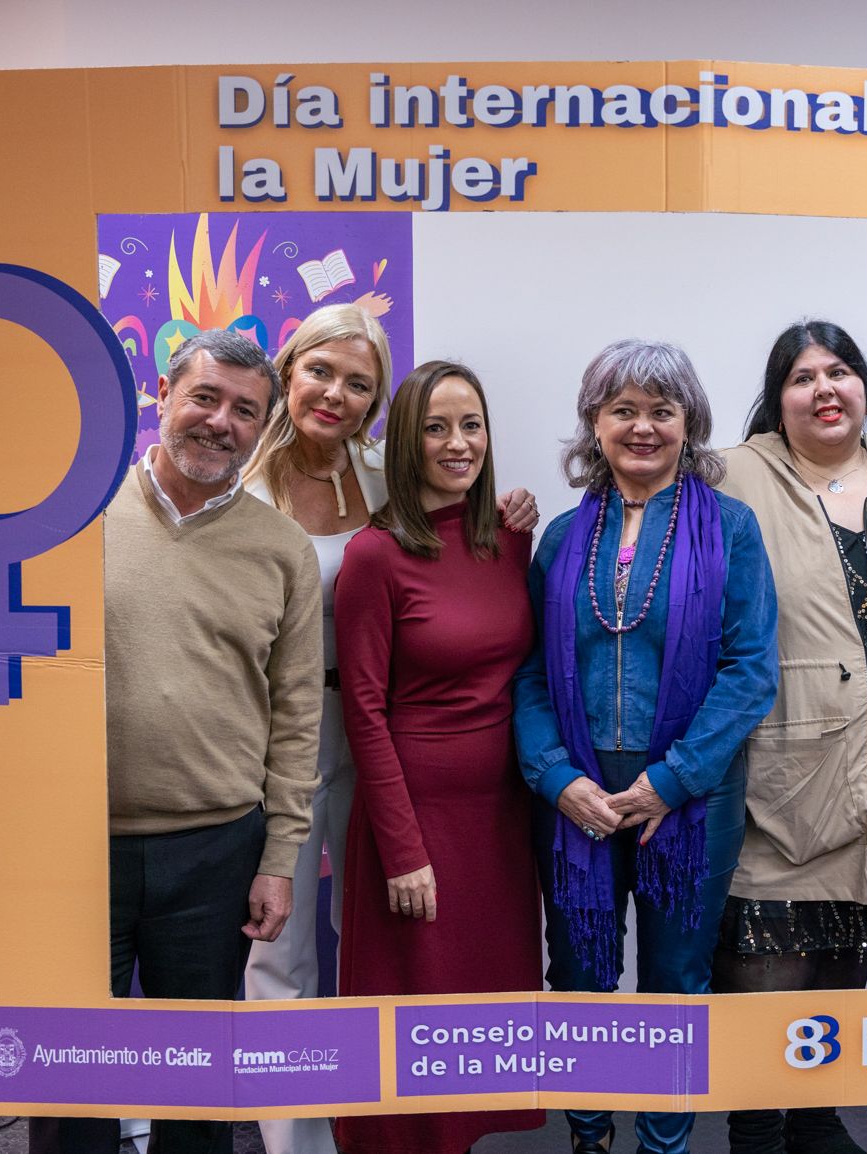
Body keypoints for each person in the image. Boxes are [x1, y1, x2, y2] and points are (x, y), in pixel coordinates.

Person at [0, 328, 324, 1154]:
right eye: (205, 397)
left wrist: (278, 858)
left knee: (196, 1089)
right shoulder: (66, 516)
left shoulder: (282, 551)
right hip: (69, 848)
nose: (219, 422)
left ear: (262, 428)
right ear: (163, 396)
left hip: (214, 851)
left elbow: (297, 715)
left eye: (244, 410)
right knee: (68, 1089)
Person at [237, 306, 537, 1154]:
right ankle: (296, 1142)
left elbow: (455, 531)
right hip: (279, 732)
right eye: (320, 372)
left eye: (358, 382)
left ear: (376, 409)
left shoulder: (384, 481)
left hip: (377, 728)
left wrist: (510, 506)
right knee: (281, 951)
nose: (335, 393)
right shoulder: (238, 490)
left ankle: (371, 1119)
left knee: (370, 940)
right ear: (286, 372)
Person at [513, 338, 779, 1154]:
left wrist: (673, 780)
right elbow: (523, 675)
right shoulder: (559, 538)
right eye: (622, 409)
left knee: (674, 985)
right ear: (594, 423)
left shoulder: (731, 529)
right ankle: (587, 1137)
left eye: (660, 411)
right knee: (581, 979)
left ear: (688, 423)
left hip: (688, 799)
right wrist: (556, 778)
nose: (641, 427)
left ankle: (663, 1144)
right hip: (576, 800)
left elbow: (750, 669)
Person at [714, 321, 867, 1154]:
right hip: (778, 761)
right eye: (802, 376)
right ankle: (756, 1127)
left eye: (840, 371)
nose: (824, 388)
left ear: (864, 388)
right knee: (766, 959)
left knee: (851, 925)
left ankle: (818, 1121)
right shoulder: (728, 477)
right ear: (776, 398)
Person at [331, 360, 544, 1153]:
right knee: (412, 1035)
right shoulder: (373, 555)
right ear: (405, 441)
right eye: (436, 427)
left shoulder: (512, 538)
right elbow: (364, 712)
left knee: (478, 1035)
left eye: (472, 425)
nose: (458, 444)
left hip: (498, 823)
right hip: (415, 825)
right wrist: (401, 851)